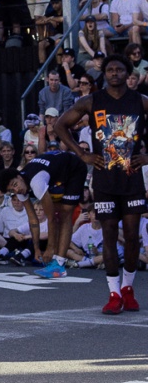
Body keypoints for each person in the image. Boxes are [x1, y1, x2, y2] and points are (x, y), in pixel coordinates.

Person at [53, 56, 148, 314]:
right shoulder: (91, 101)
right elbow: (60, 126)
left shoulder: (139, 100)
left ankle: (128, 288)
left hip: (132, 179)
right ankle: (113, 293)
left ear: (128, 73)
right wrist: (82, 154)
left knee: (132, 236)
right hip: (104, 180)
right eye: (110, 70)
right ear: (104, 73)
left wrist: (147, 156)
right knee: (108, 234)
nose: (115, 73)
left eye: (119, 69)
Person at [8, 149, 87, 279]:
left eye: (15, 185)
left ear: (19, 177)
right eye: (12, 190)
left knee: (64, 214)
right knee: (56, 212)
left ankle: (59, 264)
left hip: (74, 168)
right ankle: (55, 260)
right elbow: (33, 220)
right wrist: (36, 248)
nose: (16, 190)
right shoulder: (19, 187)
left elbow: (51, 219)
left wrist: (50, 248)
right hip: (56, 173)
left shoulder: (36, 182)